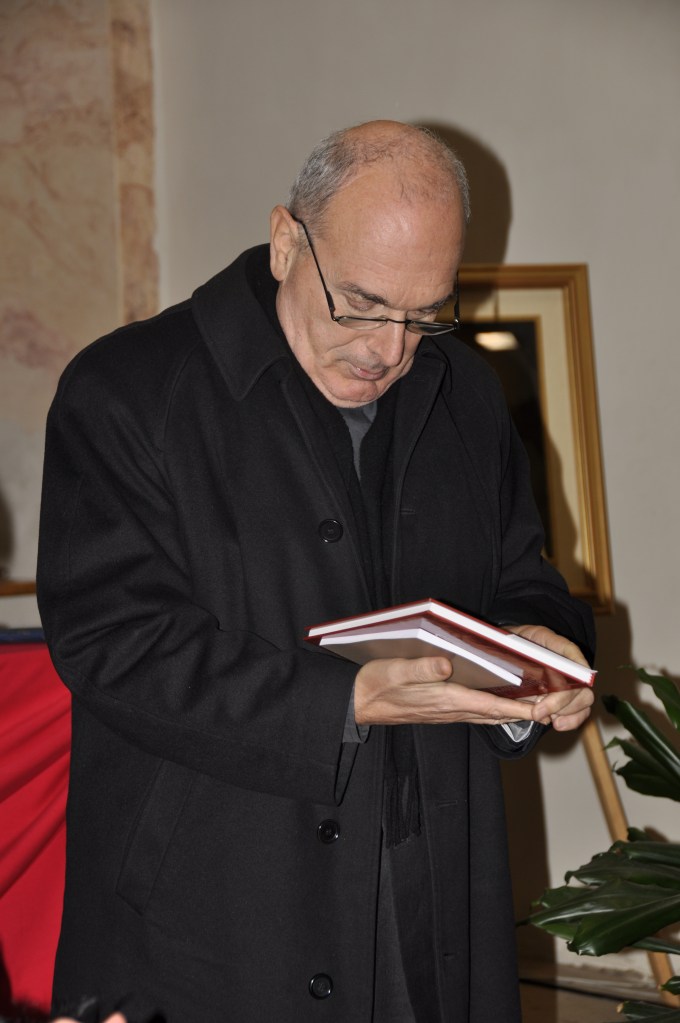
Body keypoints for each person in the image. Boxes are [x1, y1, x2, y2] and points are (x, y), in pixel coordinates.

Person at [37, 120, 595, 1023]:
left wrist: (541, 645)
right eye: (361, 304)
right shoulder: (128, 388)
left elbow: (522, 576)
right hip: (219, 907)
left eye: (425, 314)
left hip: (433, 888)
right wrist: (344, 701)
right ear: (286, 242)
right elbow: (113, 644)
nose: (389, 350)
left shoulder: (464, 392)